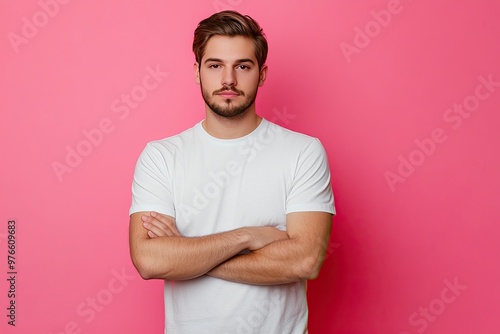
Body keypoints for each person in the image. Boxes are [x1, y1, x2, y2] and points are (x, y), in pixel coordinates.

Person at [128, 10, 335, 334]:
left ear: (262, 74)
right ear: (197, 72)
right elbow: (150, 261)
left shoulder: (303, 152)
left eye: (242, 66)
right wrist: (248, 237)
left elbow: (304, 261)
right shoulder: (162, 157)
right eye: (215, 66)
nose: (228, 80)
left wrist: (188, 254)